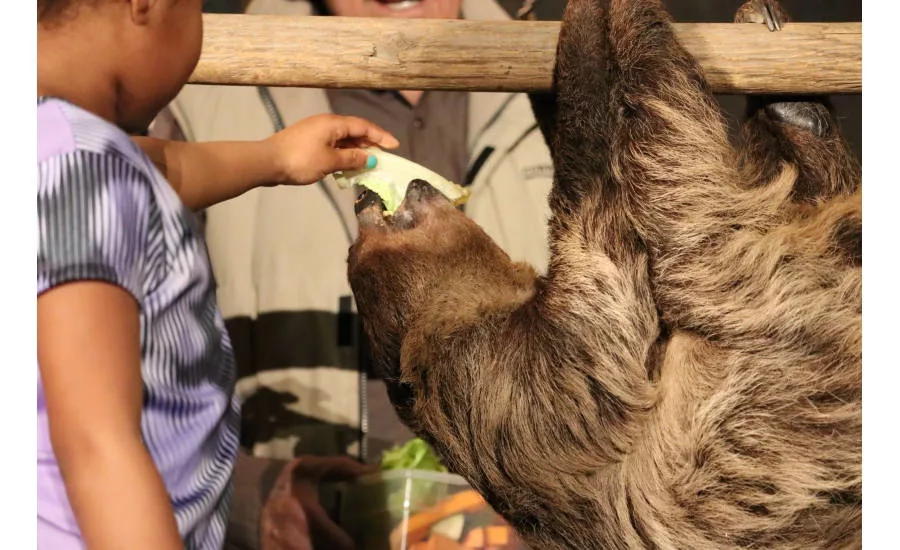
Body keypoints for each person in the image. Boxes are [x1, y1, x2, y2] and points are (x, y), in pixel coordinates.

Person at [36, 0, 399, 548]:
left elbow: (159, 168)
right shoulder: (86, 175)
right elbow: (97, 447)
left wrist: (276, 158)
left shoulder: (53, 144)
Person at [156, 0, 555, 466]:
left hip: (519, 496)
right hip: (305, 495)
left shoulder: (558, 86)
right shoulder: (199, 93)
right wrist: (251, 489)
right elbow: (136, 365)